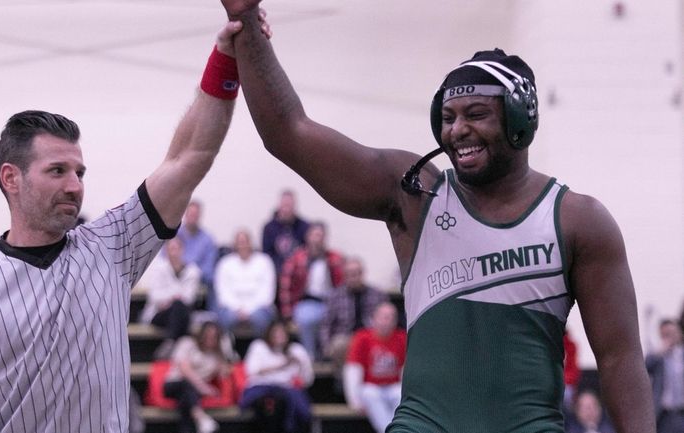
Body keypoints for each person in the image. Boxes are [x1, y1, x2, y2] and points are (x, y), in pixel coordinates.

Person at [217, 2, 655, 431]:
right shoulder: (416, 194)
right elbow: (289, 133)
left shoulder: (578, 220)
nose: (457, 130)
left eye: (476, 114)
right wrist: (246, 20)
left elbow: (619, 358)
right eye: (447, 118)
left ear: (522, 118)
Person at [0, 17, 273, 432]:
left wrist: (225, 58)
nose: (74, 186)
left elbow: (189, 157)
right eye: (57, 171)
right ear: (10, 178)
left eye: (80, 173)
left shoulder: (113, 247)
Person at [279, 222, 344, 360]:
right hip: (307, 301)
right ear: (308, 237)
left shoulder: (335, 258)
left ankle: (330, 356)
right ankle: (310, 357)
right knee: (306, 319)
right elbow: (285, 287)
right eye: (314, 235)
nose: (317, 239)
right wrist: (287, 314)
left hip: (331, 302)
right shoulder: (296, 259)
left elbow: (343, 285)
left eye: (320, 235)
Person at [343, 302, 406, 433]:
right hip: (371, 387)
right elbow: (353, 369)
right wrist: (354, 400)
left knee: (401, 395)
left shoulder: (402, 338)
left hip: (393, 387)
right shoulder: (362, 337)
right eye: (383, 317)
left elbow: (405, 371)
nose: (387, 321)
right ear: (374, 318)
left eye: (391, 317)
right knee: (370, 394)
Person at [240, 320, 313, 433]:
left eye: (282, 333)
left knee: (297, 407)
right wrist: (283, 364)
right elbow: (251, 371)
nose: (279, 336)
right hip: (262, 389)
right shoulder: (259, 346)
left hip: (287, 389)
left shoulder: (296, 350)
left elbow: (307, 380)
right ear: (269, 333)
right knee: (270, 405)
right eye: (275, 332)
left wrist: (301, 364)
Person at [319, 256, 388, 369]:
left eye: (357, 273)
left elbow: (387, 319)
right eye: (350, 274)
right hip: (346, 337)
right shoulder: (335, 296)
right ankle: (345, 381)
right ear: (344, 276)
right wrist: (326, 346)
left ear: (362, 274)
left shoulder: (377, 295)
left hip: (371, 335)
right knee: (338, 345)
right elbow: (326, 324)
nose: (354, 277)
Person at [163, 321, 233, 433]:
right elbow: (185, 370)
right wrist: (203, 387)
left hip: (192, 393)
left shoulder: (216, 356)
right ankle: (201, 418)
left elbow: (225, 373)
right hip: (174, 384)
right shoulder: (186, 343)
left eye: (214, 336)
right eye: (207, 335)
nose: (210, 338)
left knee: (185, 402)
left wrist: (225, 347)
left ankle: (198, 424)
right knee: (187, 385)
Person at [214, 229, 276, 336]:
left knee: (262, 318)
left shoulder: (264, 261)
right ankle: (227, 350)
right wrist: (238, 309)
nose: (242, 245)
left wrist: (249, 311)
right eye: (239, 242)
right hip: (232, 309)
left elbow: (267, 293)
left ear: (251, 243)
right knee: (223, 317)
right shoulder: (225, 263)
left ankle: (259, 349)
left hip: (258, 308)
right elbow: (223, 293)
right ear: (234, 244)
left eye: (245, 241)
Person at [139, 238, 201, 342]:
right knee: (178, 307)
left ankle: (170, 342)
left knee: (178, 307)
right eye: (171, 249)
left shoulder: (193, 271)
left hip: (180, 311)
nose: (173, 252)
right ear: (166, 251)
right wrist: (175, 296)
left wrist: (170, 299)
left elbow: (189, 298)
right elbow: (154, 296)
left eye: (176, 248)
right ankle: (174, 344)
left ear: (182, 250)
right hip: (159, 313)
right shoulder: (159, 269)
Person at [646, 319, 684, 433]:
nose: (670, 337)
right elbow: (646, 366)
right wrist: (660, 351)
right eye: (666, 334)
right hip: (664, 413)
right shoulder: (658, 356)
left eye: (672, 333)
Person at [177, 200, 219, 304]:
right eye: (190, 214)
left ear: (200, 216)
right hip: (174, 281)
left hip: (200, 283)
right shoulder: (174, 236)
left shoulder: (208, 239)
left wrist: (191, 271)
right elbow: (165, 262)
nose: (193, 217)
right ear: (185, 214)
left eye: (195, 215)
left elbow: (208, 269)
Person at [261, 189, 309, 275]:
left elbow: (307, 252)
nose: (287, 210)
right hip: (275, 272)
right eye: (284, 205)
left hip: (299, 272)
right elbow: (266, 256)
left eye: (289, 206)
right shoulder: (269, 228)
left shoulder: (304, 227)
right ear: (279, 206)